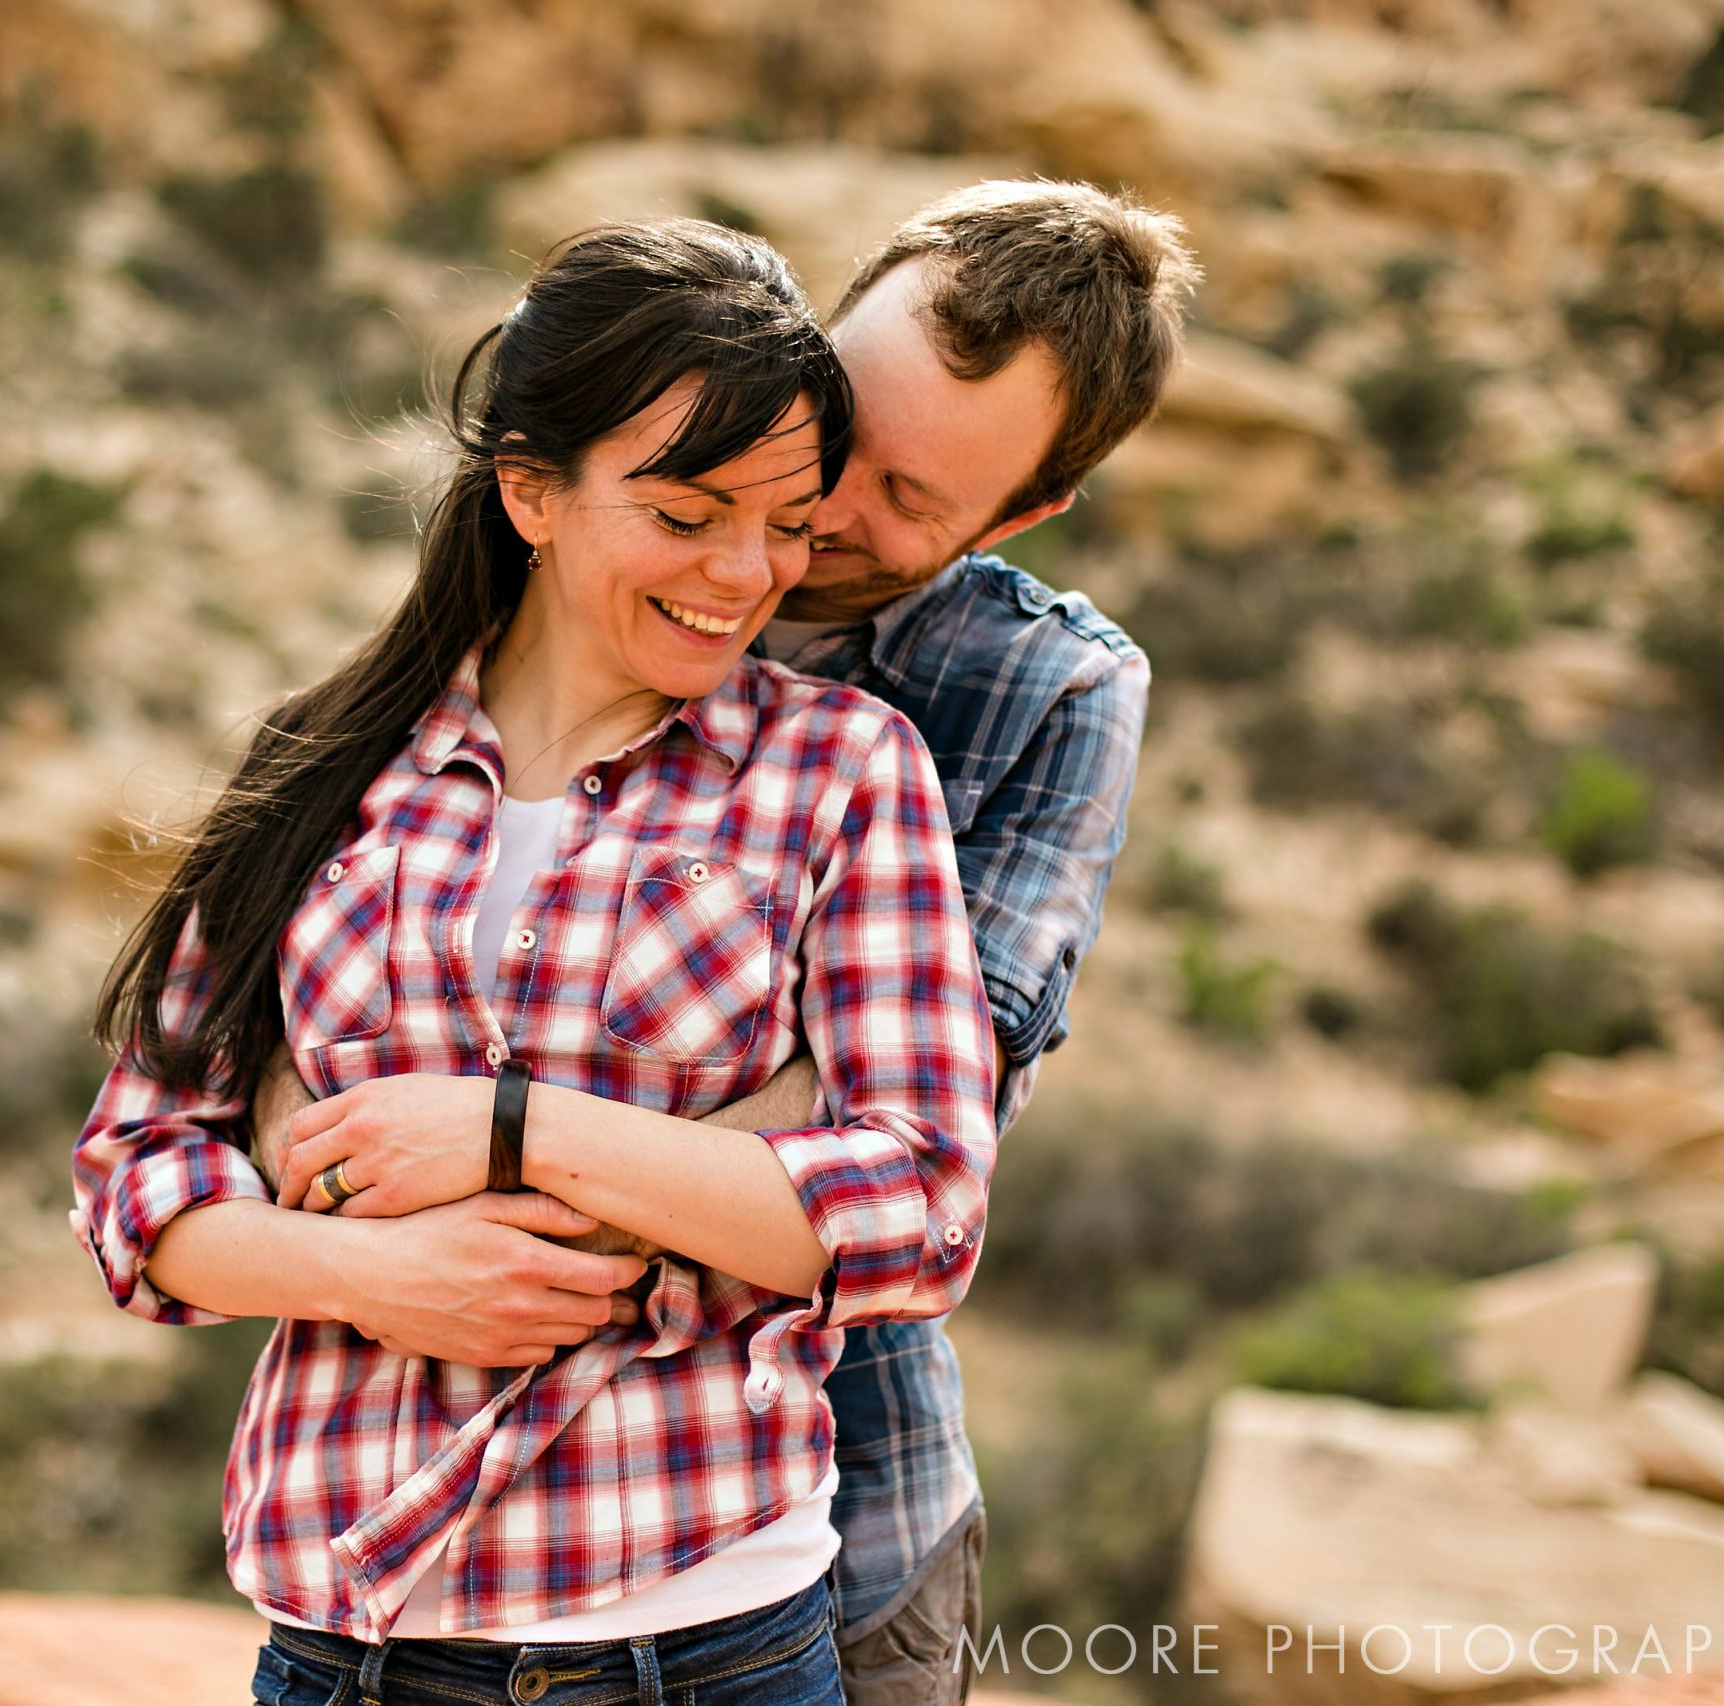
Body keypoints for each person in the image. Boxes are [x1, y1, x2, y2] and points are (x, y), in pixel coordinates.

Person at [246, 179, 1200, 1706]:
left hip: (828, 1495)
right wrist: (339, 1178)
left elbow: (927, 1110)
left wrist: (502, 1160)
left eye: (910, 499)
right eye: (848, 436)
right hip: (409, 1517)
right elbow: (314, 1000)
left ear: (1023, 515)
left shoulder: (1046, 691)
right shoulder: (591, 558)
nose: (810, 522)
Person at [70, 218, 999, 1706]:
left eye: (787, 520)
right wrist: (375, 1275)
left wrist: (516, 1130)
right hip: (344, 1654)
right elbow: (135, 1172)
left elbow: (925, 1206)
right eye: (690, 513)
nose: (746, 570)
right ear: (530, 490)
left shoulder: (840, 769)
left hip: (704, 1645)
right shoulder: (328, 767)